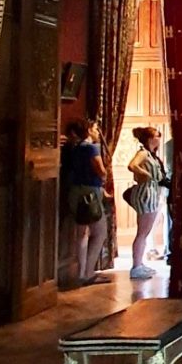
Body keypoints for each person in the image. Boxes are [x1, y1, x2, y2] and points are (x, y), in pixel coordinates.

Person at [60, 118, 109, 288]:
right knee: (100, 232)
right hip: (90, 192)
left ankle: (80, 273)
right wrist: (104, 176)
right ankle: (89, 272)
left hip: (74, 191)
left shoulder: (72, 148)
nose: (97, 132)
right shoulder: (91, 148)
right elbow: (100, 170)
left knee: (81, 234)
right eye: (94, 128)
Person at [123, 125, 168, 281]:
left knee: (145, 232)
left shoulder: (151, 154)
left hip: (152, 192)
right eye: (156, 136)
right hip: (146, 193)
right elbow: (132, 165)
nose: (159, 138)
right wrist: (146, 174)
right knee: (142, 232)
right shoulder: (143, 153)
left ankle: (139, 263)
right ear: (149, 139)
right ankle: (136, 266)